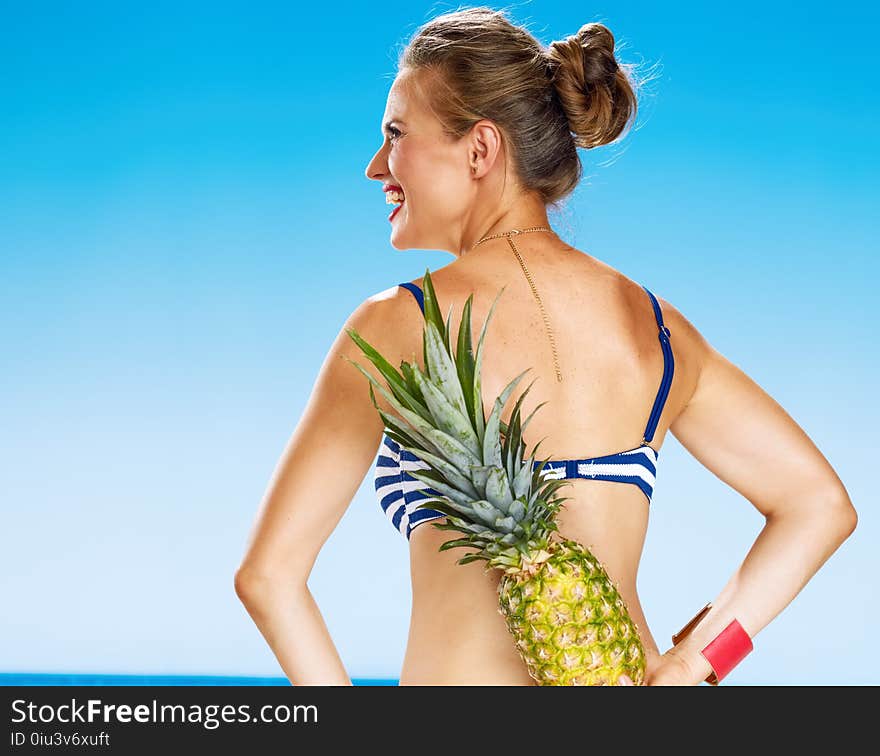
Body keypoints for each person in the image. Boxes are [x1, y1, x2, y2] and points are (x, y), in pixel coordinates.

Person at [234, 6, 857, 686]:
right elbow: (820, 506)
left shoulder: (396, 326)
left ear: (480, 149)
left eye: (395, 133)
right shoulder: (654, 326)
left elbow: (267, 578)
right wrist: (695, 663)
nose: (375, 165)